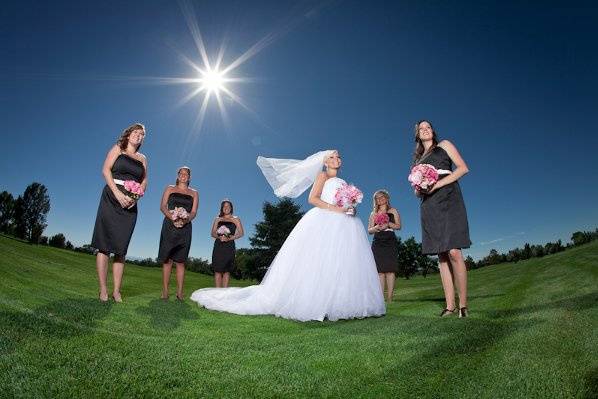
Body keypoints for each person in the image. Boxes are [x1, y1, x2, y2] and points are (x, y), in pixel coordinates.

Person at [190, 150, 385, 321]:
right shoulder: (322, 176)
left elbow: (345, 204)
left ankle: (343, 304)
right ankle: (318, 303)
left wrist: (350, 208)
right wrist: (336, 209)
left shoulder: (343, 182)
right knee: (321, 260)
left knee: (344, 262)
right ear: (325, 162)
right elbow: (312, 199)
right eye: (332, 157)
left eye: (338, 156)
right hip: (326, 220)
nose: (337, 159)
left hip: (347, 225)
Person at [413, 120, 471, 317]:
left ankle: (463, 305)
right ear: (418, 136)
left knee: (454, 251)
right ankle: (450, 305)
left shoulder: (444, 145)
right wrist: (421, 187)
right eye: (421, 129)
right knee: (442, 255)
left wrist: (437, 184)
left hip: (448, 196)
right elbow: (416, 193)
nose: (425, 129)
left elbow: (463, 168)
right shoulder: (417, 161)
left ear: (433, 131)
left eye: (428, 127)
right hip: (429, 205)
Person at [91, 123, 147, 303]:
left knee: (121, 249)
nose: (138, 136)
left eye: (142, 134)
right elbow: (105, 170)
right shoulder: (118, 149)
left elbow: (144, 181)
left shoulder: (143, 158)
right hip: (111, 198)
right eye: (136, 132)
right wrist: (117, 193)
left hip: (130, 204)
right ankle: (103, 290)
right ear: (128, 134)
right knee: (104, 245)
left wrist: (135, 198)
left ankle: (116, 291)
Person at [158, 166, 198, 301]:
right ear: (177, 175)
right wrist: (173, 217)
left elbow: (193, 212)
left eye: (186, 173)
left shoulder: (194, 193)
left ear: (189, 177)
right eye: (181, 173)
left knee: (180, 262)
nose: (183, 175)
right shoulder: (170, 188)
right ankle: (165, 291)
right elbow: (163, 206)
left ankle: (180, 293)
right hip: (169, 226)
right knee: (167, 260)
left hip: (185, 228)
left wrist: (185, 220)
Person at [367, 190, 401, 303]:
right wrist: (377, 227)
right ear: (375, 201)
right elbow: (369, 230)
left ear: (387, 198)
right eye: (377, 198)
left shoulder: (393, 210)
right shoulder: (373, 213)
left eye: (382, 197)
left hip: (390, 239)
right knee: (380, 271)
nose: (380, 199)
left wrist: (388, 224)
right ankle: (381, 298)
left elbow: (398, 226)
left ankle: (390, 298)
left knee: (390, 270)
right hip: (378, 241)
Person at [210, 199, 244, 288]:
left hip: (229, 246)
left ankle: (224, 294)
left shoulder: (236, 219)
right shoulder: (217, 219)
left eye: (228, 206)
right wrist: (219, 237)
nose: (226, 208)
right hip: (218, 245)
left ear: (231, 208)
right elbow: (213, 233)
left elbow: (241, 233)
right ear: (222, 208)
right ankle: (217, 293)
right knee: (217, 270)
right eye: (224, 206)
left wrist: (230, 238)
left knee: (226, 270)